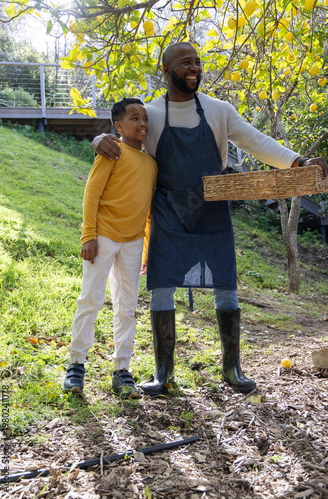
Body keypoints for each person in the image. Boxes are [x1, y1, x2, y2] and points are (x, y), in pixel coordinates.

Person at [92, 42, 328, 397]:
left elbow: (256, 141)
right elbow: (125, 142)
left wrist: (298, 162)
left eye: (198, 62)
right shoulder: (152, 113)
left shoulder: (219, 110)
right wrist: (100, 139)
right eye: (185, 62)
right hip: (170, 210)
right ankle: (163, 373)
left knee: (225, 284)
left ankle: (232, 368)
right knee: (162, 285)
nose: (194, 68)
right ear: (166, 68)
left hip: (213, 210)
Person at [63, 98, 157, 398]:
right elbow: (92, 194)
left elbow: (148, 209)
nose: (142, 123)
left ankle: (122, 370)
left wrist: (145, 249)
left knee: (127, 307)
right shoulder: (111, 151)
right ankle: (76, 365)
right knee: (90, 299)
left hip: (132, 243)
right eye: (134, 118)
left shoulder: (151, 163)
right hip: (102, 238)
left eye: (144, 118)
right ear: (118, 126)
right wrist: (87, 235)